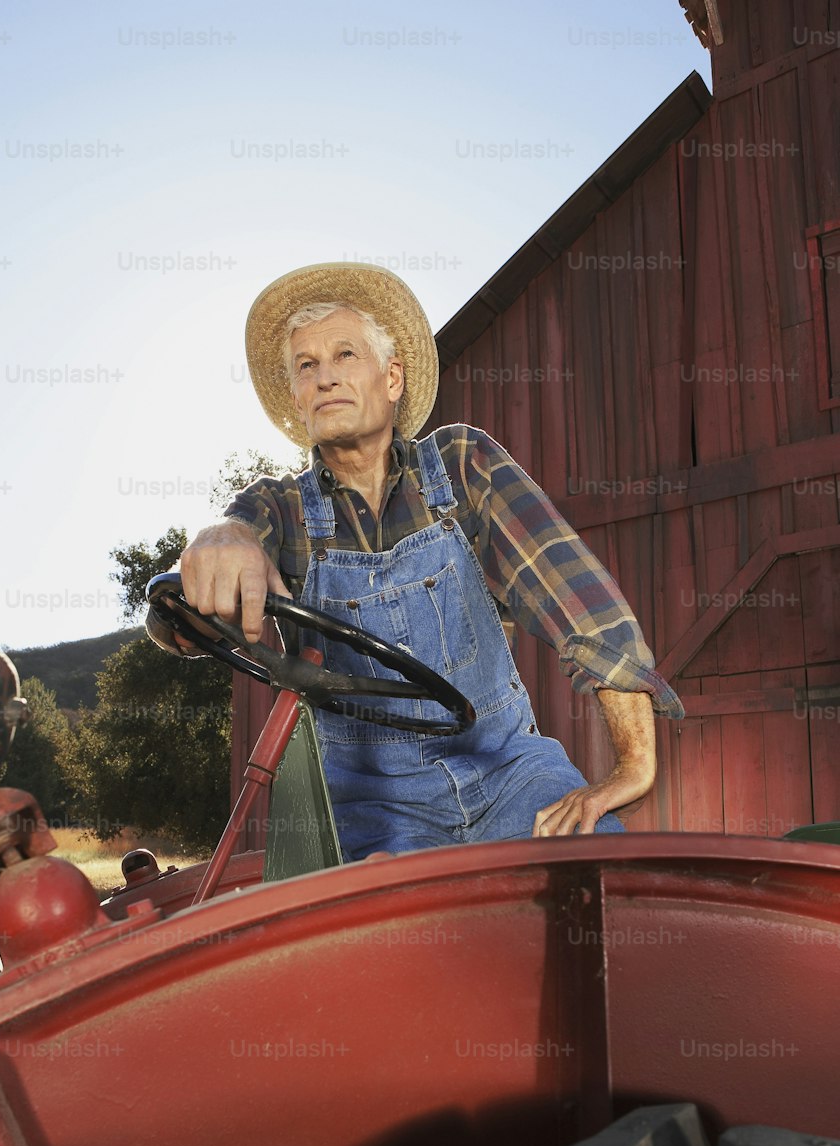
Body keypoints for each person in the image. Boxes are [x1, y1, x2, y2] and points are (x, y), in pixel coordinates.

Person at [178, 262, 683, 861]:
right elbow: (191, 621)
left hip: (511, 773)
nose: (324, 378)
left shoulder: (461, 466)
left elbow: (579, 599)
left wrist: (634, 765)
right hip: (370, 806)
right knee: (381, 934)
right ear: (296, 395)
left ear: (393, 378)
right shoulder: (276, 508)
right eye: (306, 366)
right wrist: (220, 536)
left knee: (601, 875)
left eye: (345, 355)